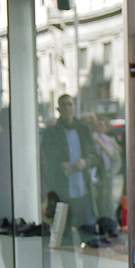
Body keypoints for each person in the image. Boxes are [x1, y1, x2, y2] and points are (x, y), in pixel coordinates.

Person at [41, 95, 101, 244]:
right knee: (65, 240)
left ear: (74, 107)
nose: (67, 108)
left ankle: (92, 267)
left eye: (70, 105)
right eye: (63, 105)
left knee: (90, 238)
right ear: (58, 109)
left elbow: (95, 157)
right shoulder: (51, 133)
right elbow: (46, 160)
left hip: (84, 193)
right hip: (63, 194)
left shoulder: (83, 130)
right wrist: (59, 166)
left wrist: (85, 162)